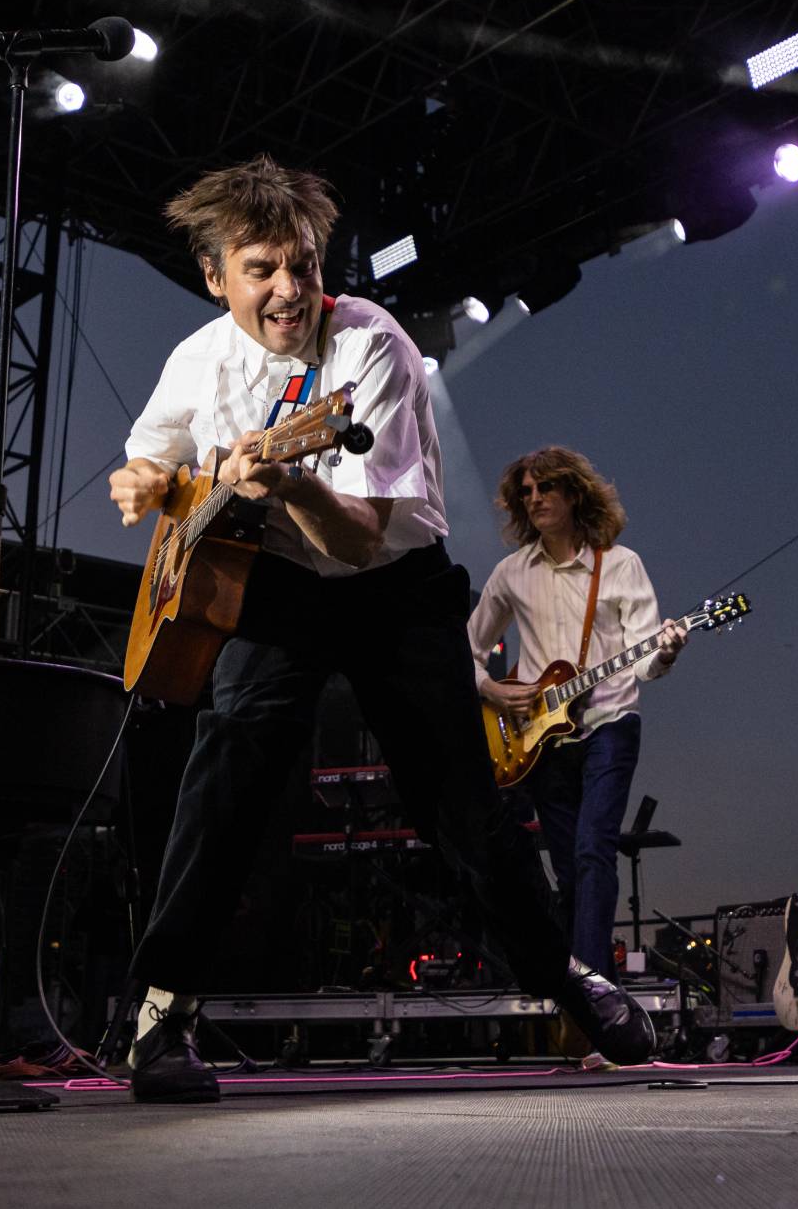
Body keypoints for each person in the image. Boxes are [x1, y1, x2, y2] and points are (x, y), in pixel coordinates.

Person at [107, 155, 654, 1103]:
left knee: (464, 812)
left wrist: (282, 476)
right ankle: (164, 1011)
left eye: (304, 267)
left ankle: (562, 978)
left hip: (389, 585)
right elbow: (150, 455)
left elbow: (360, 540)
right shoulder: (197, 358)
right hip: (271, 586)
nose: (288, 291)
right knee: (225, 774)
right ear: (215, 276)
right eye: (262, 270)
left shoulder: (374, 349)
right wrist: (150, 484)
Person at [468, 448, 686, 982]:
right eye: (527, 491)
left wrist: (666, 650)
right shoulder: (511, 574)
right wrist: (493, 689)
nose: (535, 498)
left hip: (611, 724)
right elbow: (466, 650)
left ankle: (593, 989)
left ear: (572, 493)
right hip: (541, 739)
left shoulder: (621, 564)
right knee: (568, 869)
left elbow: (645, 663)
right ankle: (572, 985)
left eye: (545, 488)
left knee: (594, 853)